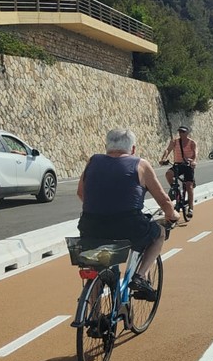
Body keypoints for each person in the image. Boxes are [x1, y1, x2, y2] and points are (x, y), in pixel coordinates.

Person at [77, 129, 179, 300]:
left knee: (97, 269)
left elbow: (81, 193)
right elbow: (164, 201)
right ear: (133, 149)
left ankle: (93, 313)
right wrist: (173, 214)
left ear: (106, 147)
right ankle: (140, 276)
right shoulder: (141, 164)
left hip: (90, 226)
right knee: (159, 233)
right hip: (129, 226)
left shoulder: (93, 161)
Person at [159, 125, 198, 218]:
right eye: (180, 132)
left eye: (183, 132)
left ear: (187, 133)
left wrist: (193, 161)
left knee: (189, 186)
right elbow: (167, 150)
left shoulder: (192, 143)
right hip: (178, 165)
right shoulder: (175, 142)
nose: (181, 133)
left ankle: (191, 208)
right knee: (168, 174)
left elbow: (195, 153)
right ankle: (175, 189)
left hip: (188, 165)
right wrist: (163, 158)